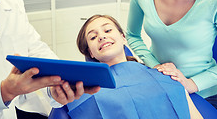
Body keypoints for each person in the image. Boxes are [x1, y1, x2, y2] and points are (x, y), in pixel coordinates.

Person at [64, 14, 203, 119]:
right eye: (93, 37)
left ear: (123, 38)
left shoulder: (163, 74)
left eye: (107, 30)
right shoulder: (85, 92)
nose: (101, 37)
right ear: (91, 53)